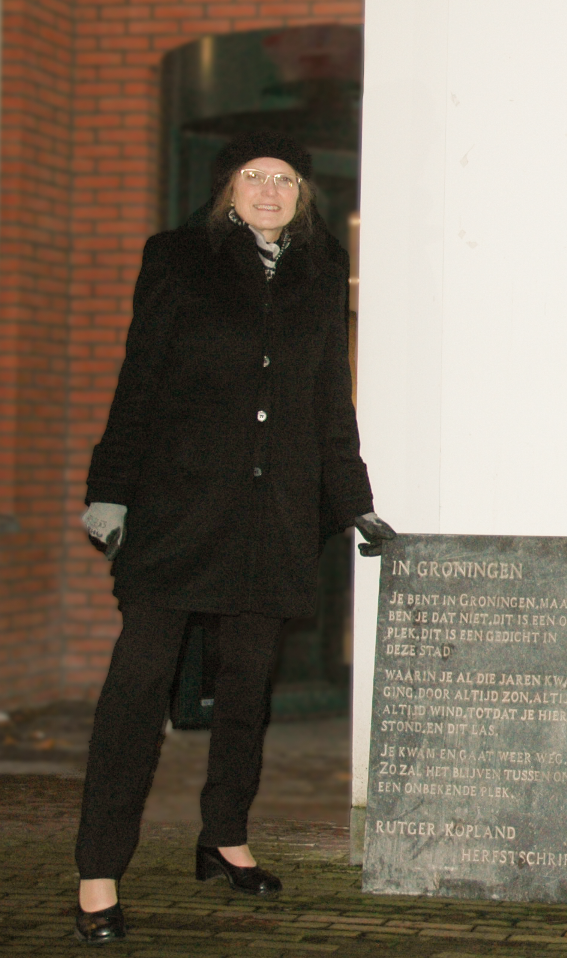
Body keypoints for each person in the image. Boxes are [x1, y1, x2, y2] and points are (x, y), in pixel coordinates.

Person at [73, 130, 395, 945]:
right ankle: (98, 870)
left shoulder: (321, 277)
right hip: (179, 511)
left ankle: (224, 838)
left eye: (285, 179)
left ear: (303, 197)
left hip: (272, 515)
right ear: (227, 190)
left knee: (248, 689)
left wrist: (353, 500)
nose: (269, 189)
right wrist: (109, 492)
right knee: (137, 690)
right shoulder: (176, 259)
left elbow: (331, 402)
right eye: (254, 176)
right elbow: (137, 377)